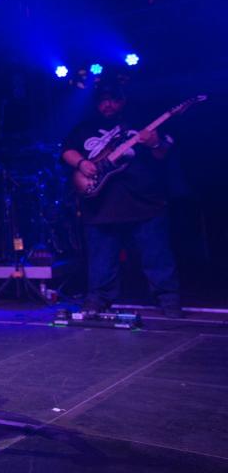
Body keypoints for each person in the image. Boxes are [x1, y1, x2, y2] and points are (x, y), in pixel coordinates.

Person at [61, 81, 181, 317]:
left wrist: (154, 142)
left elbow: (163, 152)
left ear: (122, 101)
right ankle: (97, 299)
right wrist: (82, 163)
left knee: (156, 254)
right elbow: (67, 150)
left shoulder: (140, 124)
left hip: (144, 200)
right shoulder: (85, 127)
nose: (107, 104)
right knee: (101, 258)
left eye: (113, 99)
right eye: (103, 100)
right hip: (101, 204)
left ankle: (168, 299)